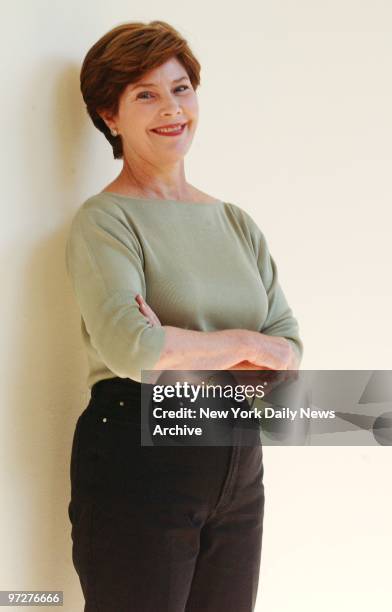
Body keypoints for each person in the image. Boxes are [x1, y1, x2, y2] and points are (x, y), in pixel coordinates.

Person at [66, 20, 303, 612]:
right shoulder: (106, 221)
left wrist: (181, 340)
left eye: (181, 88)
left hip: (237, 459)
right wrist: (247, 344)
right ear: (110, 116)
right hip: (139, 458)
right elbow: (133, 350)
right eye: (145, 93)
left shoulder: (235, 222)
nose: (171, 108)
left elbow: (289, 351)